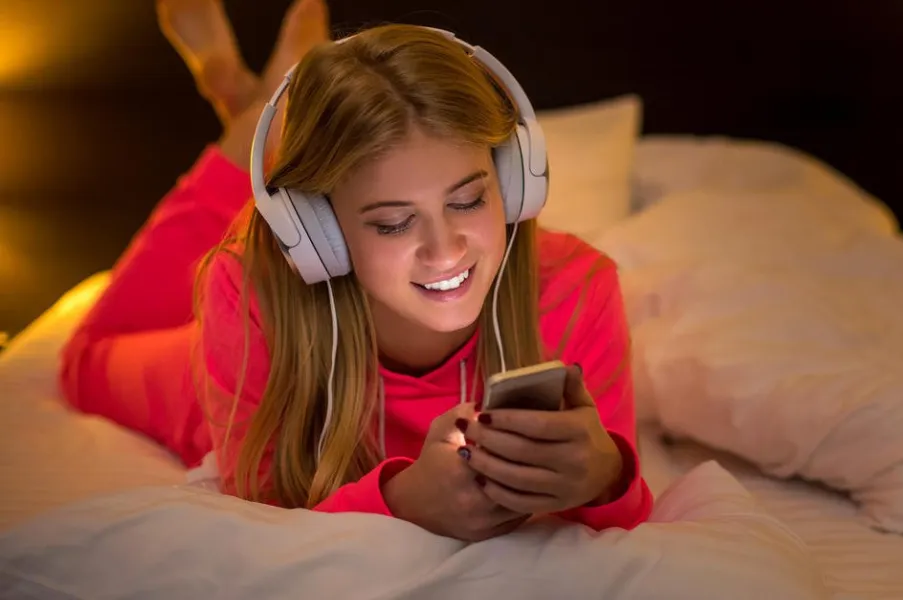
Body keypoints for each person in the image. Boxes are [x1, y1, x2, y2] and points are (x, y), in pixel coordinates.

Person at [59, 0, 653, 542]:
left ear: (514, 184)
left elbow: (619, 509)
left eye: (469, 200)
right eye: (393, 222)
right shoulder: (250, 298)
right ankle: (245, 135)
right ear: (319, 233)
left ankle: (267, 115)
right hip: (223, 369)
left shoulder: (578, 288)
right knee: (84, 361)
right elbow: (260, 510)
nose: (444, 250)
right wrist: (402, 501)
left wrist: (604, 474)